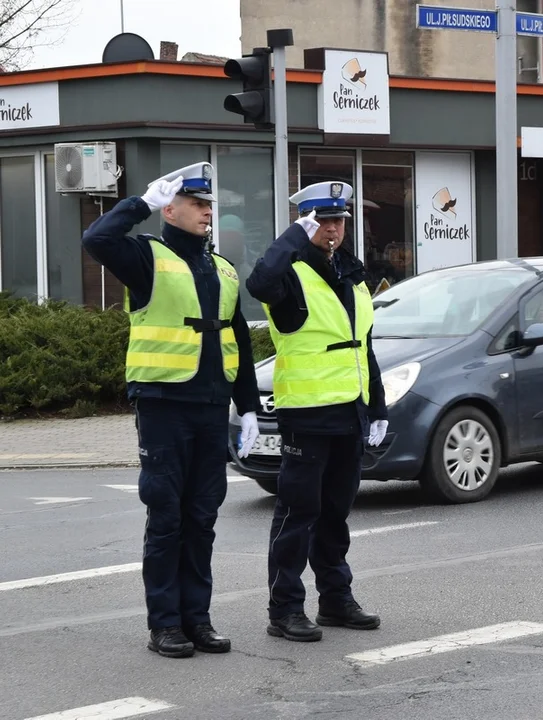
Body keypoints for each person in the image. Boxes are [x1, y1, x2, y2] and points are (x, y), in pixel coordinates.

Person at [81, 162, 261, 659]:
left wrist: (246, 406)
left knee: (202, 517)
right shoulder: (146, 257)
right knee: (167, 517)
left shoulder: (221, 267)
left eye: (209, 206)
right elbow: (96, 238)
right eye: (199, 205)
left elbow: (238, 338)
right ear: (172, 209)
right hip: (163, 405)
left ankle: (197, 618)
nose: (207, 213)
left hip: (209, 406)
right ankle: (165, 624)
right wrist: (141, 202)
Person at [245, 181, 388, 643]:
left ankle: (335, 599)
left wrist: (378, 406)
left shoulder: (350, 270)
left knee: (335, 514)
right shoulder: (289, 272)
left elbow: (362, 345)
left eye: (339, 221)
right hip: (306, 412)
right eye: (323, 221)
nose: (333, 230)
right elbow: (258, 282)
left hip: (350, 411)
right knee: (298, 513)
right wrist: (291, 238)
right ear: (305, 223)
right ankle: (284, 609)